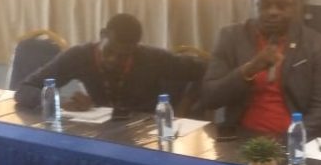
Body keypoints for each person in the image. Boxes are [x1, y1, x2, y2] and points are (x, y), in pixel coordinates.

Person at [200, 0, 321, 138]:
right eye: (264, 6)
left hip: (293, 139)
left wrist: (290, 139)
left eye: (282, 6)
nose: (273, 12)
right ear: (253, 7)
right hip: (238, 137)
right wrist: (249, 69)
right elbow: (210, 97)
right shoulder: (230, 37)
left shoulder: (316, 44)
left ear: (293, 9)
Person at [14, 13, 206, 114]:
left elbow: (206, 70)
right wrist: (60, 102)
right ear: (102, 35)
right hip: (100, 135)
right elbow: (25, 89)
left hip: (145, 138)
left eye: (123, 56)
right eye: (109, 51)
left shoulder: (152, 58)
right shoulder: (79, 56)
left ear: (136, 47)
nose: (113, 60)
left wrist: (186, 105)